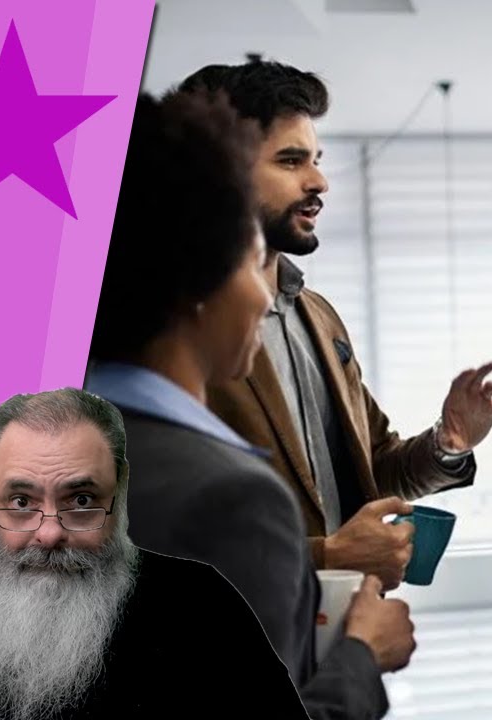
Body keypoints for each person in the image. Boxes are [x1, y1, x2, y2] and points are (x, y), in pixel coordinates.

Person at [84, 91, 413, 720]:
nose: (265, 295)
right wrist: (364, 656)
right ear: (196, 280)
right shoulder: (230, 496)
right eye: (250, 258)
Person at [177, 60, 492, 590]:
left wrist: (448, 443)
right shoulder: (165, 330)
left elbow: (373, 470)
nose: (319, 181)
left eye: (315, 160)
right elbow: (153, 533)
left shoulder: (318, 315)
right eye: (291, 161)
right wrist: (326, 555)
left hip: (344, 623)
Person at [0, 389, 308, 719]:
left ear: (120, 490)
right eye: (21, 502)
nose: (49, 533)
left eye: (82, 500)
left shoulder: (202, 606)